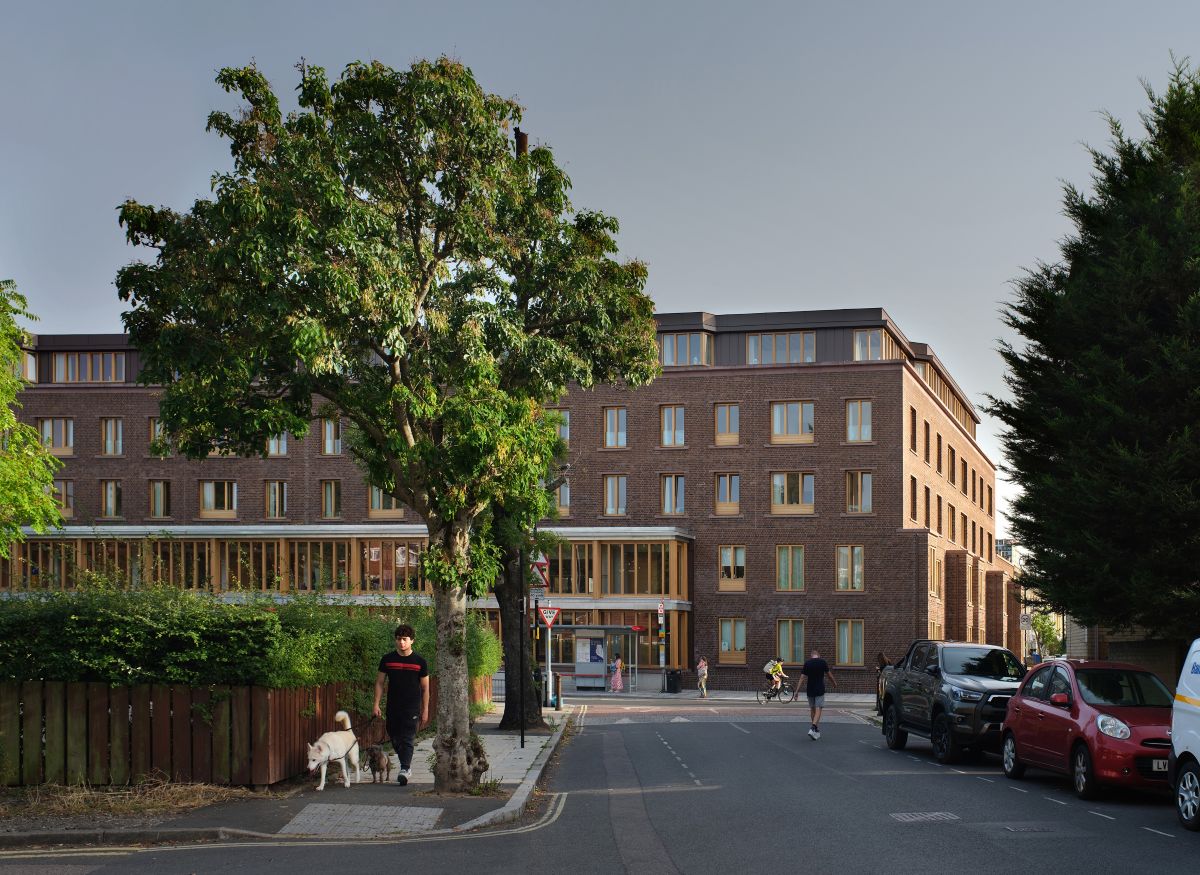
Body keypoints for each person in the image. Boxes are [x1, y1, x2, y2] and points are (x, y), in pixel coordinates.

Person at [373, 624, 429, 786]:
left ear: (412, 641)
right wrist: (376, 704)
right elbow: (379, 683)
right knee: (395, 737)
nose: (401, 643)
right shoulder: (387, 659)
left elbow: (425, 688)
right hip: (393, 706)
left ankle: (405, 768)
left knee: (407, 738)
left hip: (412, 707)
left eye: (405, 639)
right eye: (398, 639)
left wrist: (425, 710)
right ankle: (405, 763)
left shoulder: (420, 662)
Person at [797, 649, 836, 739]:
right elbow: (829, 675)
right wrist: (834, 683)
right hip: (819, 689)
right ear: (818, 655)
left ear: (811, 656)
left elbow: (802, 678)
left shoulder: (807, 663)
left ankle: (815, 730)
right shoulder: (822, 662)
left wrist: (796, 691)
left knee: (812, 709)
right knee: (819, 709)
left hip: (810, 689)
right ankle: (813, 727)